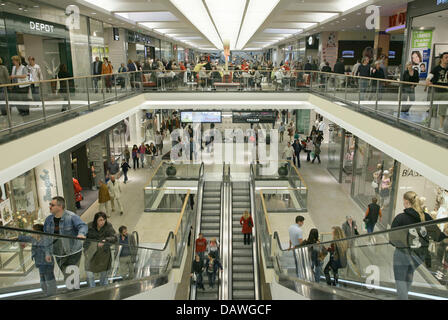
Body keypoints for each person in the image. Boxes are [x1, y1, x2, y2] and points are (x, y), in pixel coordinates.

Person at [390, 191, 447, 299]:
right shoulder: (426, 217)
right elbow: (438, 236)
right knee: (409, 274)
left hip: (403, 253)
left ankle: (403, 297)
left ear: (406, 202)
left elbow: (392, 239)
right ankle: (405, 295)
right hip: (419, 255)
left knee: (400, 280)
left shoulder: (401, 218)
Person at [43, 196, 87, 280]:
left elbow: (82, 225)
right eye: (50, 204)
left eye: (52, 205)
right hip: (58, 253)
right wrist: (47, 252)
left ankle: (73, 291)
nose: (50, 207)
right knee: (67, 276)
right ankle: (73, 290)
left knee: (71, 276)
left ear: (60, 207)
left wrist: (81, 234)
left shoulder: (71, 216)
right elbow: (46, 237)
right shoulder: (48, 220)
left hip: (73, 253)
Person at [14, 224, 57, 296]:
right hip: (40, 263)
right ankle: (46, 293)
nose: (31, 233)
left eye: (32, 231)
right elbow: (26, 238)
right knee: (42, 280)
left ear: (38, 232)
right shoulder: (33, 238)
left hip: (47, 263)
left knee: (49, 278)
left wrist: (47, 255)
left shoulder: (46, 238)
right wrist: (17, 237)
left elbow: (47, 248)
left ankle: (51, 294)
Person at [83, 212, 116, 288]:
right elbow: (84, 236)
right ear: (96, 220)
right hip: (91, 253)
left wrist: (106, 240)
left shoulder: (108, 226)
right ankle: (92, 290)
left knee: (104, 275)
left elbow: (114, 237)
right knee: (90, 274)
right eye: (100, 220)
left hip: (103, 254)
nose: (102, 222)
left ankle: (103, 290)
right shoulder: (89, 226)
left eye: (104, 220)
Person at [426, 52, 448, 132]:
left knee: (442, 110)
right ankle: (428, 123)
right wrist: (428, 81)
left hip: (445, 93)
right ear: (442, 59)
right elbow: (429, 77)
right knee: (432, 109)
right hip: (436, 92)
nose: (447, 59)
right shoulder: (436, 68)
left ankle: (441, 127)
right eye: (446, 57)